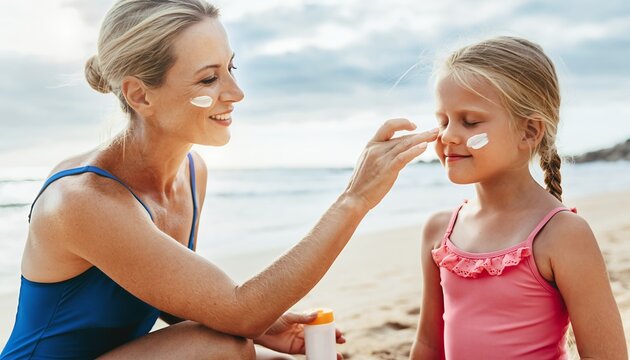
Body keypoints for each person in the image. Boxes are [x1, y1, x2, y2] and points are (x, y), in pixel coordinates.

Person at [0, 1, 439, 359]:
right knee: (221, 346)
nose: (235, 92)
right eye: (209, 77)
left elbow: (169, 290)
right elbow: (238, 310)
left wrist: (265, 325)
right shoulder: (84, 200)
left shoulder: (191, 172)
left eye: (232, 68)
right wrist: (355, 198)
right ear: (140, 94)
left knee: (240, 343)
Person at [410, 36, 627, 359]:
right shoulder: (439, 230)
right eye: (443, 121)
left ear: (528, 131)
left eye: (470, 122)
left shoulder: (562, 234)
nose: (448, 135)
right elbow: (429, 344)